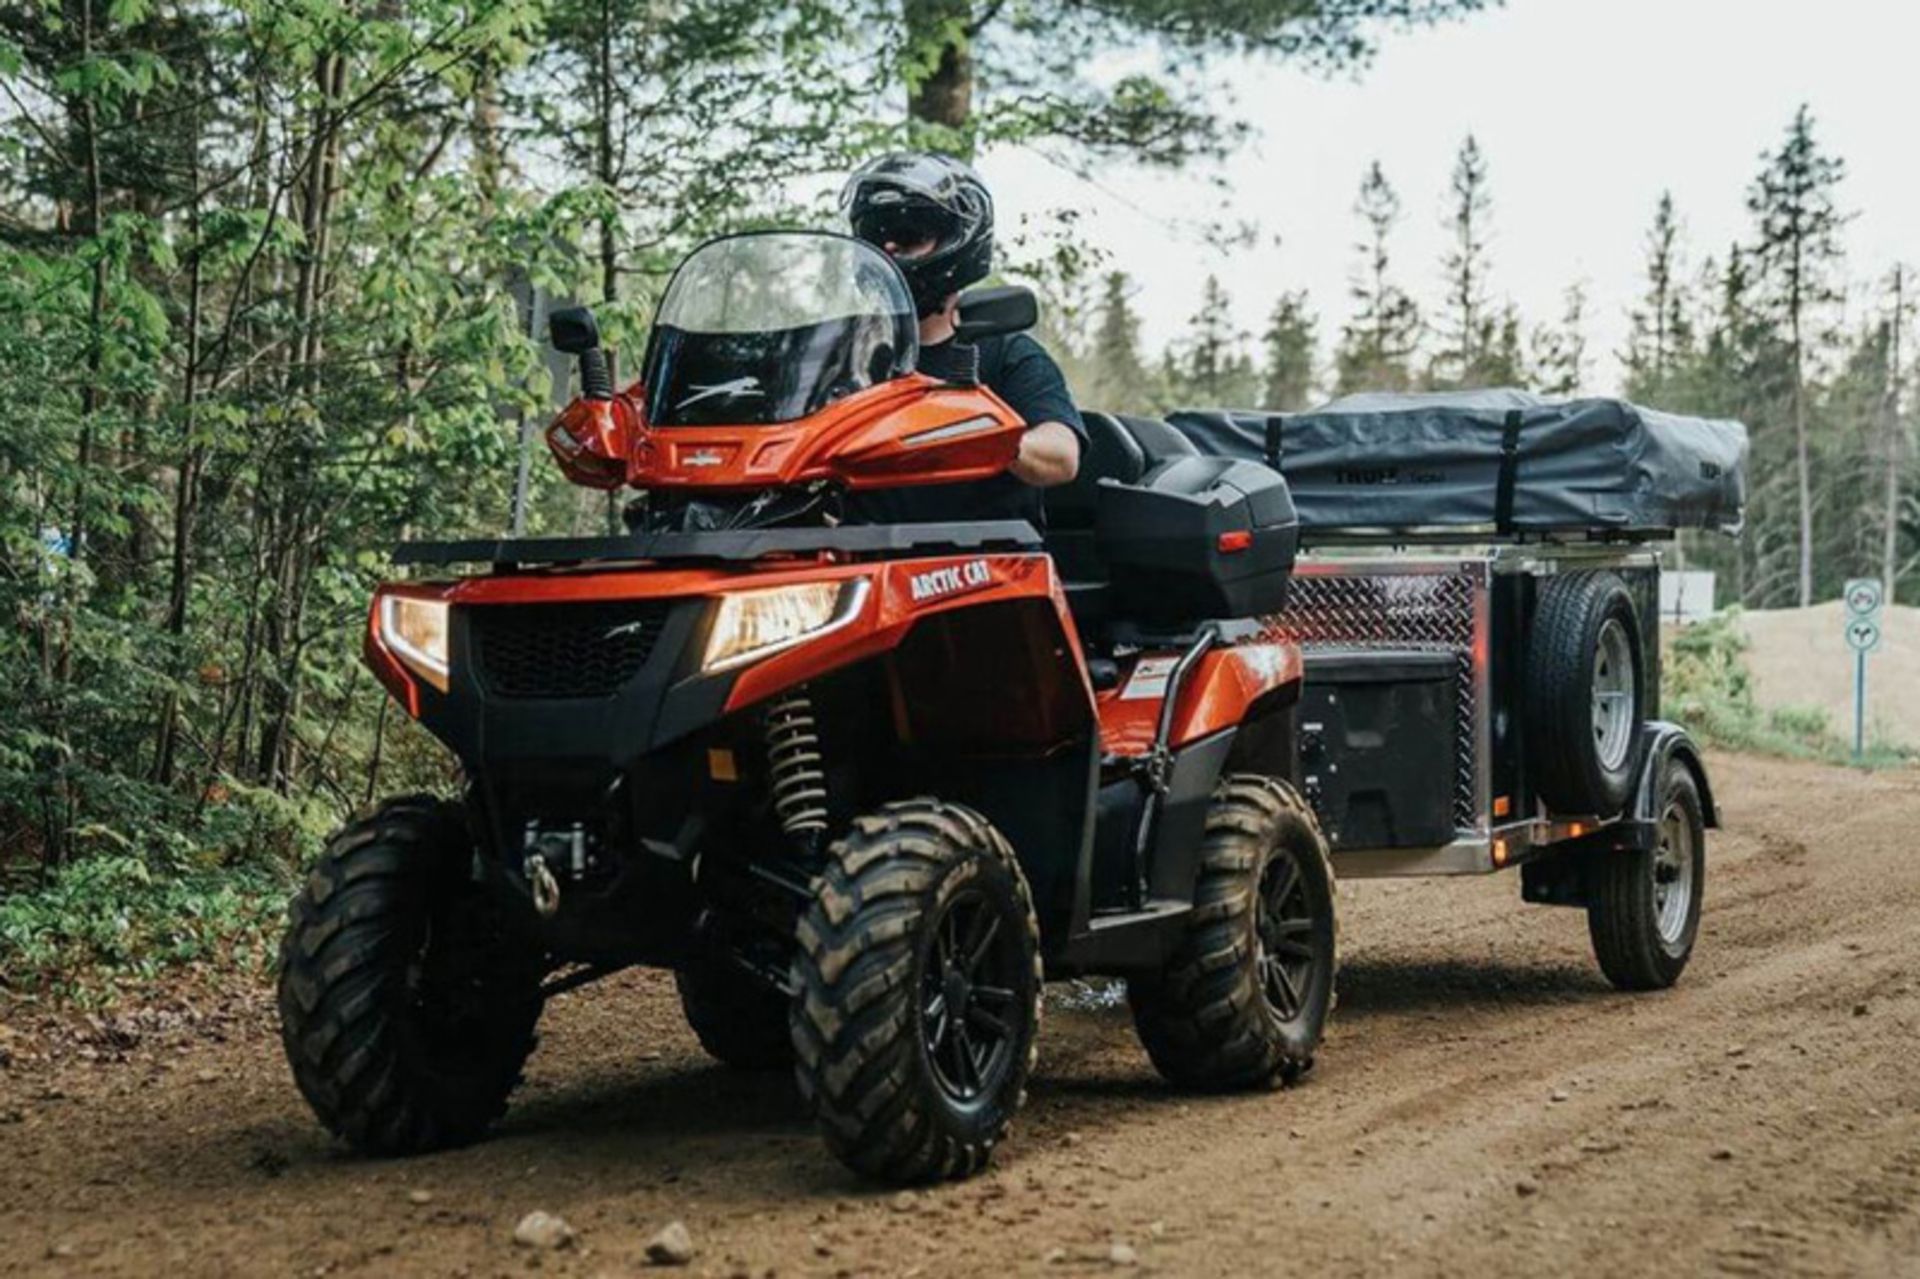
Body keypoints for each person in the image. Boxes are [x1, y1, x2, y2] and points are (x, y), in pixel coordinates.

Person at [840, 151, 1084, 527]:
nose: (889, 250)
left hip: (987, 566)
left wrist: (986, 437)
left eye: (908, 235)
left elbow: (1061, 456)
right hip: (858, 561)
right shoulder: (844, 358)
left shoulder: (1008, 354)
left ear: (959, 243)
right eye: (876, 237)